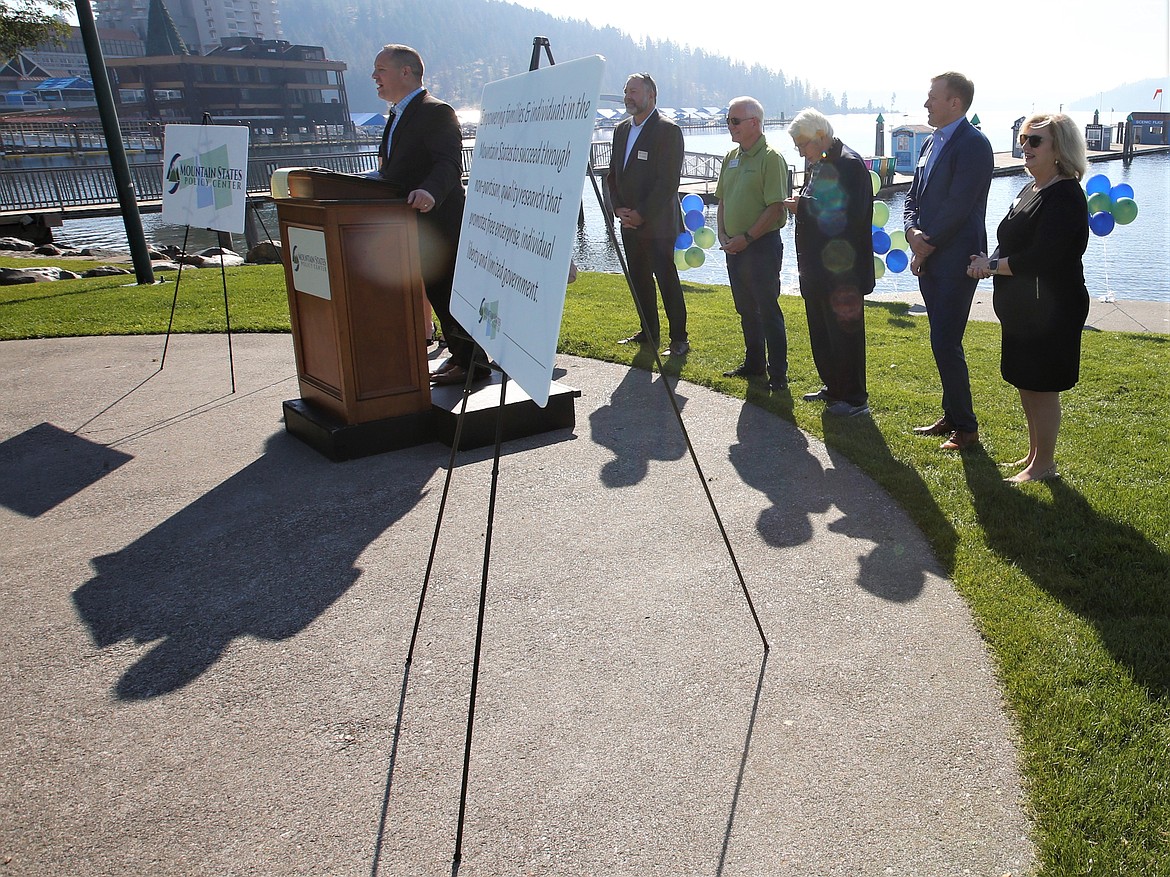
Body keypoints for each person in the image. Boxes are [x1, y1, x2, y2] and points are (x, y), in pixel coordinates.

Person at [967, 114, 1089, 483]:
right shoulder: (1031, 189)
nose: (1026, 147)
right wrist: (989, 261)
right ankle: (1035, 454)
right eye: (1023, 139)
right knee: (1026, 380)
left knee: (1042, 384)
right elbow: (1013, 239)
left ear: (1058, 149)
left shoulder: (1065, 195)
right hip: (1024, 308)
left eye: (1035, 141)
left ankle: (1044, 465)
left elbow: (1043, 257)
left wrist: (990, 266)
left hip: (1051, 310)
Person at [369, 44, 483, 386]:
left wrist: (430, 192)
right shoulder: (398, 115)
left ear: (406, 72)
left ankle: (473, 364)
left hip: (440, 223)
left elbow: (448, 163)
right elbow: (396, 171)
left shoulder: (436, 111)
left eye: (381, 69)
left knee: (450, 292)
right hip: (415, 225)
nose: (374, 77)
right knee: (437, 293)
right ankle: (463, 356)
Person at [903, 72, 992, 450]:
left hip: (957, 258)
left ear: (955, 102)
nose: (926, 104)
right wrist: (911, 233)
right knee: (941, 338)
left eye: (932, 97)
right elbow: (912, 197)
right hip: (930, 254)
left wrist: (927, 244)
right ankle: (952, 416)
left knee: (945, 339)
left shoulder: (973, 145)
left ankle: (966, 429)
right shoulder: (929, 143)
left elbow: (960, 205)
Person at [782, 108, 874, 416]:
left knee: (845, 334)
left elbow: (849, 217)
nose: (800, 151)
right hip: (817, 268)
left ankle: (855, 398)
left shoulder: (849, 164)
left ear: (821, 136)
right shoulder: (819, 161)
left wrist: (802, 208)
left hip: (842, 272)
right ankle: (834, 386)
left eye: (803, 145)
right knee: (822, 332)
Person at [607, 73, 690, 357]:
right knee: (639, 278)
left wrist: (642, 214)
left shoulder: (667, 130)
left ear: (651, 95)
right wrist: (618, 208)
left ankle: (679, 338)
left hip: (657, 223)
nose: (628, 96)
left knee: (666, 279)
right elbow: (613, 174)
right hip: (628, 222)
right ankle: (648, 332)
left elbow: (667, 182)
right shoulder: (620, 130)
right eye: (626, 90)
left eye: (634, 91)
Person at [715, 96, 790, 391]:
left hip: (760, 246)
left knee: (768, 309)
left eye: (734, 121)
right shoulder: (731, 157)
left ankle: (778, 374)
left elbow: (775, 207)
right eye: (728, 120)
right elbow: (722, 200)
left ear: (754, 123)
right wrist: (722, 236)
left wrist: (746, 239)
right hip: (734, 246)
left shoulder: (771, 158)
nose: (729, 126)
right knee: (745, 308)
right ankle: (754, 363)